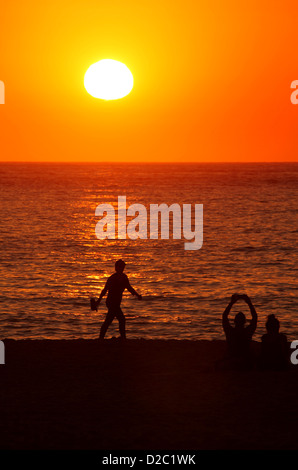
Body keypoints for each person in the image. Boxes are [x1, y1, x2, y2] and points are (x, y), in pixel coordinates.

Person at [96, 259, 142, 340]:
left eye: (123, 266)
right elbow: (104, 290)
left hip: (116, 302)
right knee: (120, 319)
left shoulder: (124, 277)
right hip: (111, 302)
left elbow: (129, 288)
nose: (122, 268)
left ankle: (102, 338)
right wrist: (98, 302)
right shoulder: (112, 278)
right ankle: (122, 338)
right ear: (116, 268)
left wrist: (137, 295)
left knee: (110, 320)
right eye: (120, 266)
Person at [222, 293, 258, 369]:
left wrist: (231, 303)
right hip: (245, 360)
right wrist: (249, 303)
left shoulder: (230, 332)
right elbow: (255, 317)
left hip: (232, 359)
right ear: (245, 322)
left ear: (234, 321)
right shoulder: (247, 332)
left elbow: (224, 316)